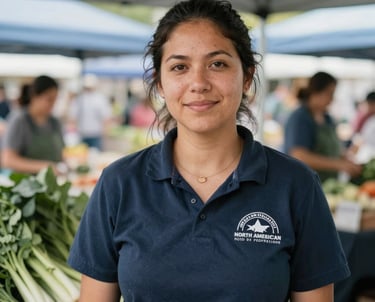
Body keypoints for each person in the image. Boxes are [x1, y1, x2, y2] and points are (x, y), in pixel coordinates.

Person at [68, 1, 350, 301]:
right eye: (179, 67)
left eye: (217, 64)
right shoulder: (119, 183)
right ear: (160, 83)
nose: (198, 83)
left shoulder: (296, 185)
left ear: (246, 76)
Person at [283, 71, 362, 182]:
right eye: (329, 93)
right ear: (315, 92)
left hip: (326, 184)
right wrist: (338, 164)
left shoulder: (327, 118)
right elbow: (299, 155)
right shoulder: (301, 118)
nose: (332, 99)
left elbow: (332, 150)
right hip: (304, 185)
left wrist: (346, 160)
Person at [1, 75, 65, 174]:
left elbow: (61, 154)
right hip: (24, 184)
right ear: (34, 96)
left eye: (55, 100)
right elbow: (7, 160)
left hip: (52, 184)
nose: (53, 104)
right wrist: (44, 167)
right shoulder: (19, 120)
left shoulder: (55, 122)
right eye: (49, 99)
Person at [68, 74, 112, 151]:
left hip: (89, 134)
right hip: (89, 134)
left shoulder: (80, 99)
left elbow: (73, 118)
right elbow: (106, 118)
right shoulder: (99, 99)